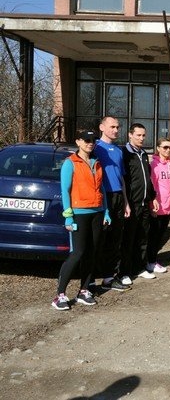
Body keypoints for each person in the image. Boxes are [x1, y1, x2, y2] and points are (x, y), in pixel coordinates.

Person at [52, 130, 111, 310]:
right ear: (78, 142)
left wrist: (106, 212)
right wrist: (68, 216)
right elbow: (65, 191)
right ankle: (60, 295)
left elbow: (102, 189)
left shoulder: (97, 162)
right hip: (79, 213)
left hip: (97, 212)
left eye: (92, 140)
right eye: (86, 140)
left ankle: (84, 291)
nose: (90, 143)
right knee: (78, 253)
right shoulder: (70, 163)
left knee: (92, 253)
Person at [94, 116, 130, 291]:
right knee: (100, 238)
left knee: (115, 239)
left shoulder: (118, 150)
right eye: (112, 127)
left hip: (118, 197)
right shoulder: (95, 148)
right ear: (102, 127)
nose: (116, 130)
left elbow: (121, 177)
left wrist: (126, 202)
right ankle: (91, 279)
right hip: (102, 197)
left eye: (117, 127)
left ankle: (109, 277)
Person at [121, 124, 159, 283]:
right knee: (128, 240)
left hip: (144, 203)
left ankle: (140, 268)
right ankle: (124, 272)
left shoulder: (143, 154)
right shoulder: (124, 153)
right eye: (138, 135)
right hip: (132, 204)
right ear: (130, 135)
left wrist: (152, 197)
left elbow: (147, 179)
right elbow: (123, 180)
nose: (142, 138)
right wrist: (125, 202)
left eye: (143, 135)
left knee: (143, 238)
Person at [147, 138, 170, 274]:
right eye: (165, 147)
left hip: (168, 206)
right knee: (154, 236)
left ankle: (153, 259)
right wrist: (152, 203)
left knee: (161, 235)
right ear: (158, 148)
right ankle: (150, 262)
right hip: (158, 206)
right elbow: (151, 185)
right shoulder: (154, 165)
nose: (168, 150)